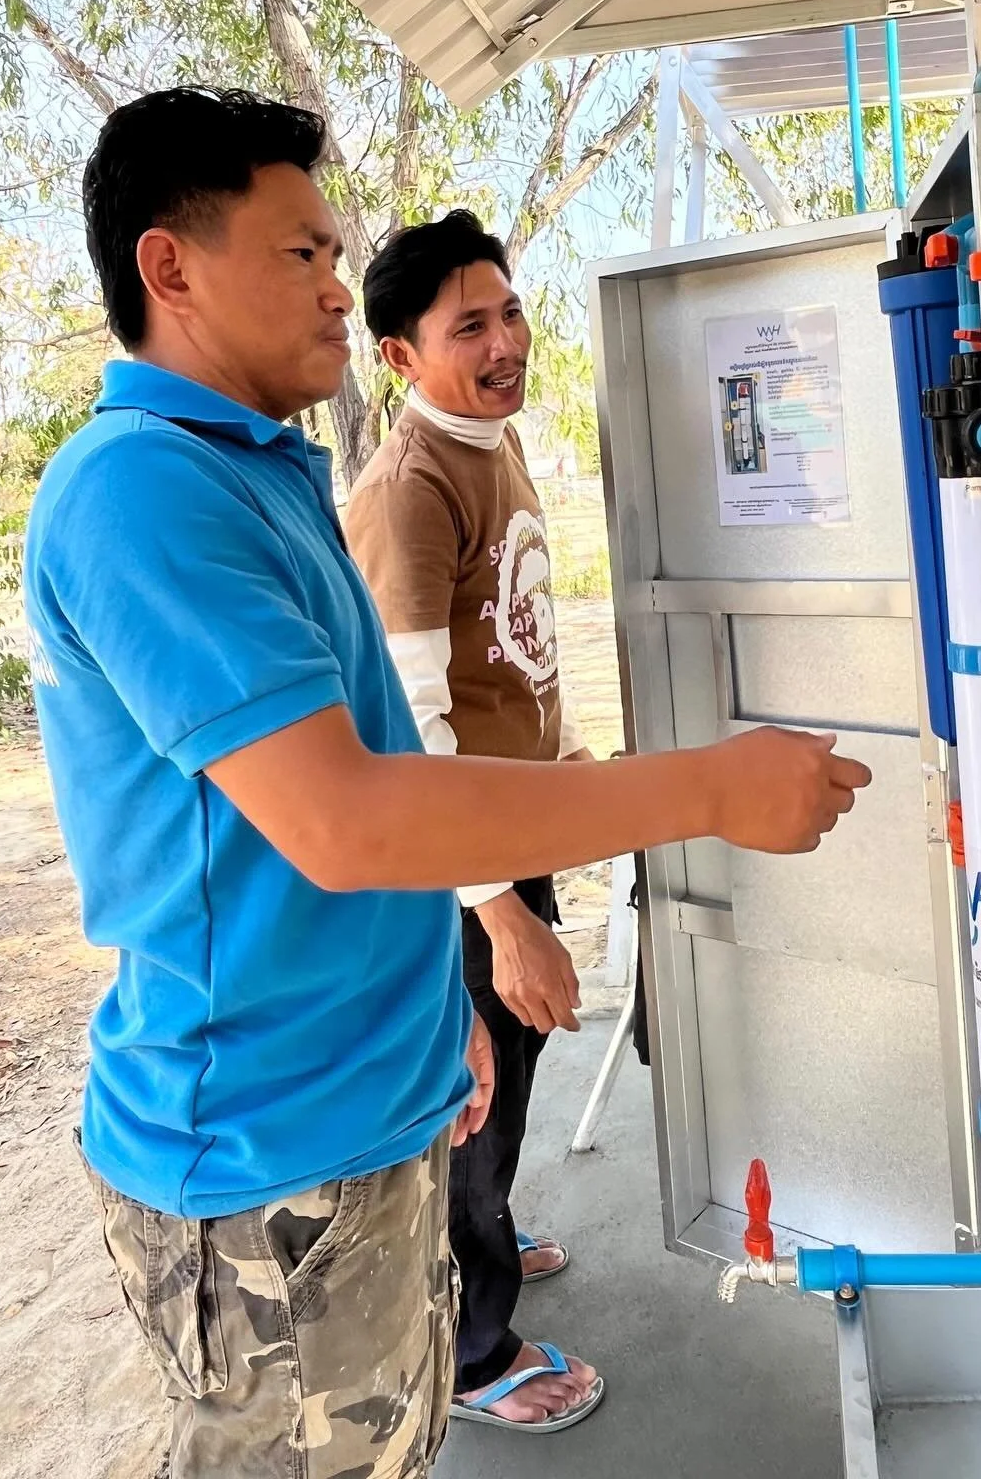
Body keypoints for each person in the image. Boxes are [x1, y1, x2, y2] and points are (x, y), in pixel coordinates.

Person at [22, 86, 871, 1479]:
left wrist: (435, 1006)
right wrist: (703, 791)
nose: (336, 286)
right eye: (303, 253)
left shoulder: (264, 472)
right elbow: (351, 818)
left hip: (361, 1094)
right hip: (263, 1148)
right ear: (168, 267)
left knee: (393, 1445)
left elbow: (369, 766)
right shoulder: (142, 490)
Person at [345, 213, 598, 1433]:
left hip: (506, 837)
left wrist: (564, 771)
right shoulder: (412, 491)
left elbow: (508, 659)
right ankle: (473, 1351)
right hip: (457, 870)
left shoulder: (491, 441)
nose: (506, 343)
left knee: (510, 1072)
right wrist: (499, 912)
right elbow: (412, 725)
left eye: (509, 312)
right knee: (471, 1093)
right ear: (400, 356)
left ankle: (481, 1239)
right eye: (469, 328)